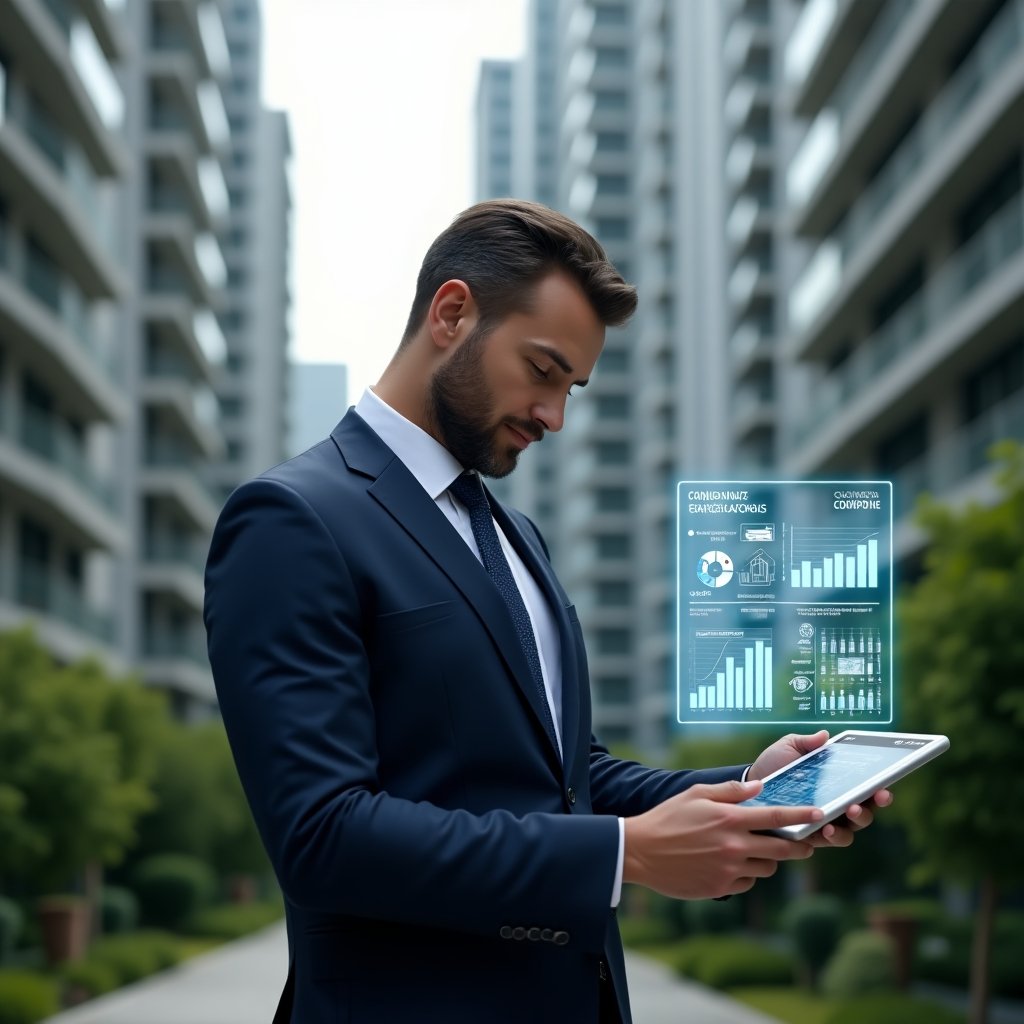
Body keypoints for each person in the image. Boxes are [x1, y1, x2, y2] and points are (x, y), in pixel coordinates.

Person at [204, 199, 890, 1024]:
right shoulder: (291, 518)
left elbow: (566, 776)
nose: (554, 416)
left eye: (571, 387)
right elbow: (323, 835)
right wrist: (625, 857)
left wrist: (748, 791)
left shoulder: (514, 533)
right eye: (541, 370)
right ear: (452, 313)